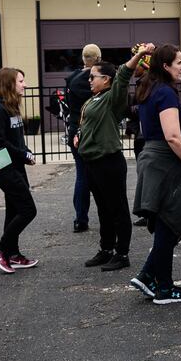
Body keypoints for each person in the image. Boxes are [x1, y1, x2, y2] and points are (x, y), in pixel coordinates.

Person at [130, 44, 181, 304]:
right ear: (165, 66)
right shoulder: (166, 93)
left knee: (166, 222)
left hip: (152, 157)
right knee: (172, 221)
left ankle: (149, 277)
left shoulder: (151, 88)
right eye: (179, 62)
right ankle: (163, 287)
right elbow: (172, 135)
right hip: (164, 161)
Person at [79, 45, 148, 273]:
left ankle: (122, 254)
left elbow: (123, 76)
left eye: (93, 76)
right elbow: (89, 124)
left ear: (106, 79)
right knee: (102, 209)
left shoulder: (112, 97)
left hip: (109, 161)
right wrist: (79, 136)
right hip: (92, 162)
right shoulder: (93, 99)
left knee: (117, 208)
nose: (89, 80)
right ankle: (106, 249)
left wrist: (138, 55)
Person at [0, 67, 38, 273]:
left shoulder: (11, 106)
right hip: (4, 168)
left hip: (16, 166)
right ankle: (1, 250)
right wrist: (22, 154)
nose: (24, 85)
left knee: (14, 210)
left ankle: (13, 254)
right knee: (28, 210)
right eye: (20, 81)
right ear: (9, 84)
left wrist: (27, 152)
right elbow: (0, 143)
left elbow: (16, 139)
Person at [63, 44, 99, 233]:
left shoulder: (71, 79)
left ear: (83, 59)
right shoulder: (96, 80)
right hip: (92, 130)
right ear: (98, 59)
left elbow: (68, 105)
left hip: (75, 127)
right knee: (100, 175)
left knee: (81, 176)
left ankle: (80, 218)